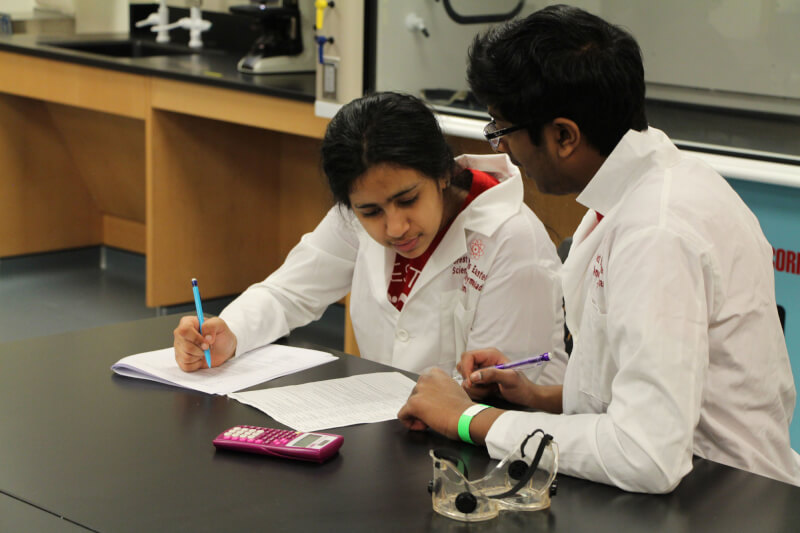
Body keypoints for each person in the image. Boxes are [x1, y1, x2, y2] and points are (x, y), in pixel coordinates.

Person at [398, 5, 800, 491]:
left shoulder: (658, 231)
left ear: (564, 136)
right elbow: (645, 388)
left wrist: (467, 420)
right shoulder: (640, 187)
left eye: (502, 130)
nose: (500, 149)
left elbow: (646, 455)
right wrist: (536, 397)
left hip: (723, 502)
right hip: (693, 485)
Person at [173, 91, 567, 380]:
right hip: (392, 426)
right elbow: (288, 293)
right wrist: (231, 332)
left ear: (443, 173)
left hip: (494, 457)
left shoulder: (510, 237)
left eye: (408, 200)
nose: (395, 227)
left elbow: (505, 388)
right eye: (371, 211)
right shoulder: (354, 216)